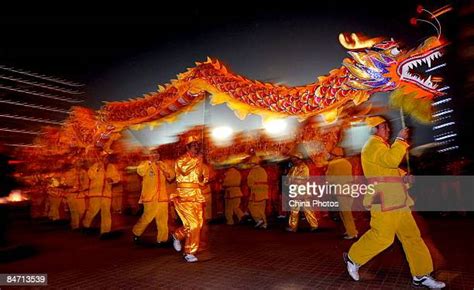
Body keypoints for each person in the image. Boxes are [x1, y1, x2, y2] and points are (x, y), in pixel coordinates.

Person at [344, 116, 445, 289]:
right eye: (385, 127)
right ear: (375, 129)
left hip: (399, 200)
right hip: (383, 201)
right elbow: (390, 160)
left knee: (412, 237)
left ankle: (421, 275)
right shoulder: (372, 145)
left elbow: (388, 168)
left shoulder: (381, 146)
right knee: (382, 237)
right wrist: (400, 139)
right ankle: (353, 258)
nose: (388, 130)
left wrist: (404, 176)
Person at [171, 136, 206, 263]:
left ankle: (177, 235)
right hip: (184, 196)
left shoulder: (198, 160)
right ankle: (189, 252)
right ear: (187, 147)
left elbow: (202, 178)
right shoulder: (181, 160)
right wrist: (197, 161)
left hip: (196, 196)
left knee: (197, 225)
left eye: (197, 146)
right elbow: (185, 171)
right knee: (194, 225)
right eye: (193, 146)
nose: (196, 148)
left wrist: (203, 176)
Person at [132, 151, 174, 245]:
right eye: (153, 154)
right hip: (150, 197)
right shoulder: (145, 164)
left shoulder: (163, 164)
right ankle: (136, 232)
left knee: (163, 219)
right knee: (147, 217)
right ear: (150, 155)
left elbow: (171, 175)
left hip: (162, 197)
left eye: (157, 154)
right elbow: (140, 171)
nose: (156, 156)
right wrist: (149, 162)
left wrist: (167, 173)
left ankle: (162, 239)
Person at [83, 154, 121, 237]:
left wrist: (112, 180)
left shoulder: (111, 167)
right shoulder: (95, 165)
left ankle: (105, 231)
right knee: (92, 211)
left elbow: (117, 177)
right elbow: (90, 175)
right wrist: (97, 168)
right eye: (103, 157)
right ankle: (86, 226)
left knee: (106, 213)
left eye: (106, 157)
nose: (105, 159)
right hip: (95, 194)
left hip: (106, 194)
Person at [326, 147, 358, 239]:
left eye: (331, 154)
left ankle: (352, 232)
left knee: (345, 212)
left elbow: (329, 179)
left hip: (340, 189)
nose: (329, 156)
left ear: (334, 155)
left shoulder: (332, 163)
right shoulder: (346, 162)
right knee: (346, 212)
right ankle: (350, 230)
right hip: (349, 188)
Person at [286, 150, 319, 232]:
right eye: (292, 159)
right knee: (295, 210)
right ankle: (293, 226)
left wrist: (292, 180)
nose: (293, 160)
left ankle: (314, 225)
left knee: (307, 209)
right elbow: (288, 178)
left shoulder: (304, 168)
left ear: (299, 159)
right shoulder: (293, 168)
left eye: (294, 159)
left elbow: (303, 179)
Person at [63, 160, 89, 230]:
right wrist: (74, 178)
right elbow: (68, 183)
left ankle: (77, 224)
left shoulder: (84, 172)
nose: (79, 164)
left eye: (80, 162)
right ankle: (75, 226)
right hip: (71, 193)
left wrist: (83, 188)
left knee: (82, 210)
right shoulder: (69, 172)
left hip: (80, 193)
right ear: (74, 164)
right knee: (74, 211)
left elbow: (86, 182)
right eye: (77, 162)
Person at [246, 154, 269, 229]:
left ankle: (259, 220)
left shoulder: (253, 171)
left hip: (256, 192)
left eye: (251, 163)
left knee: (252, 206)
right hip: (264, 191)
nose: (250, 165)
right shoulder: (263, 170)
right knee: (262, 208)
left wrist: (251, 187)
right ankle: (264, 223)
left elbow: (250, 182)